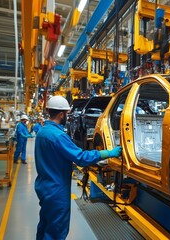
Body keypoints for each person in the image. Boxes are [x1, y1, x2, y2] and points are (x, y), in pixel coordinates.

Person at [34, 96, 122, 239]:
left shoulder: (42, 132)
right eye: (67, 114)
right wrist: (107, 153)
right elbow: (81, 157)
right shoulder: (58, 136)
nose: (68, 117)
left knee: (45, 224)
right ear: (61, 114)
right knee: (57, 230)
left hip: (45, 186)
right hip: (57, 190)